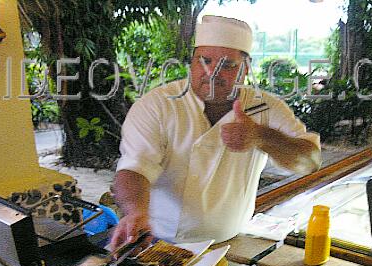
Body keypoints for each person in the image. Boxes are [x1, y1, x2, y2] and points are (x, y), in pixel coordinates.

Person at [109, 15, 321, 250]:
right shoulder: (158, 105)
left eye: (228, 66)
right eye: (205, 60)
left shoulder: (265, 107)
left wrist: (261, 136)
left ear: (245, 69)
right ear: (191, 62)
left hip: (231, 246)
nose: (213, 72)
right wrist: (136, 213)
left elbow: (310, 161)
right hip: (156, 241)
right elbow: (133, 168)